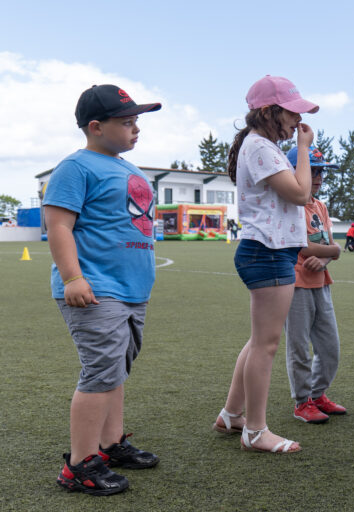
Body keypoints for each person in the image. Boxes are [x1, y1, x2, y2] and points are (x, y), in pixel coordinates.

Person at [45, 84, 162, 495]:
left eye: (137, 122)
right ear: (95, 127)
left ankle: (110, 445)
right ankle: (79, 465)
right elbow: (58, 225)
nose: (136, 130)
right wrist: (74, 277)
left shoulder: (131, 170)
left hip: (131, 290)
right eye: (127, 122)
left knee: (116, 369)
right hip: (95, 289)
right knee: (100, 370)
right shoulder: (76, 168)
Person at [211, 75, 318, 453]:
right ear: (269, 111)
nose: (296, 120)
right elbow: (302, 193)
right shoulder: (262, 148)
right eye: (291, 112)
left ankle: (233, 415)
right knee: (266, 345)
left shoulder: (261, 146)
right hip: (268, 251)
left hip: (271, 250)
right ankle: (255, 431)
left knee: (260, 341)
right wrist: (303, 148)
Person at [283, 145, 346, 424]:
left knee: (330, 347)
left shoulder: (320, 205)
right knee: (298, 347)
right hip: (295, 284)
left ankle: (318, 394)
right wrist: (332, 252)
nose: (319, 176)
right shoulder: (289, 204)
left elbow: (329, 246)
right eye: (313, 170)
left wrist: (326, 259)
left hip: (321, 283)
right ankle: (302, 402)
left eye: (321, 171)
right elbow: (301, 245)